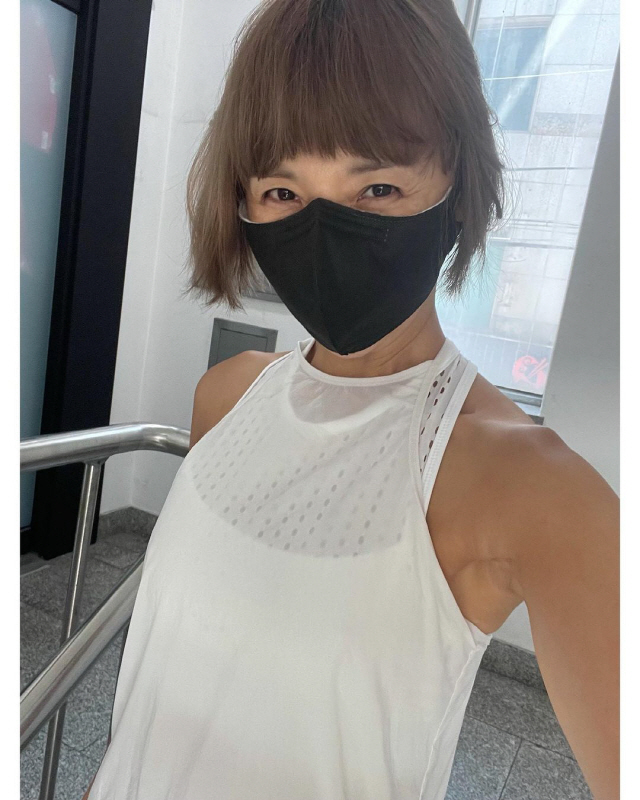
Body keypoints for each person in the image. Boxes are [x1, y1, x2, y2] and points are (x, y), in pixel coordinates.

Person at [83, 1, 619, 798]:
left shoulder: (531, 488)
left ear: (458, 184)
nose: (324, 230)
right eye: (281, 190)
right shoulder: (227, 395)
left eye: (377, 185)